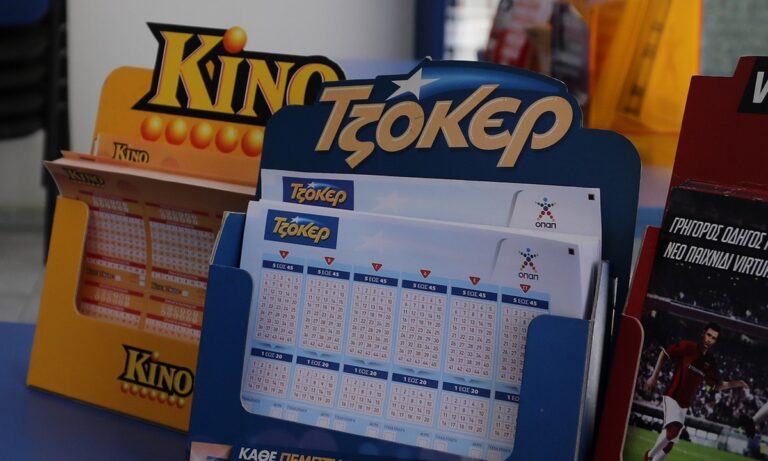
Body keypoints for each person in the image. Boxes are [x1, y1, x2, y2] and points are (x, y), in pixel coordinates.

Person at [643, 322, 749, 461]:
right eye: (708, 335)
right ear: (703, 333)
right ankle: (649, 456)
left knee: (669, 445)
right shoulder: (689, 347)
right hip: (672, 396)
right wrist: (654, 377)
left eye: (713, 338)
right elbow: (665, 352)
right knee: (673, 430)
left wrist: (737, 383)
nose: (710, 339)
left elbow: (717, 386)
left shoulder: (710, 361)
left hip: (685, 405)